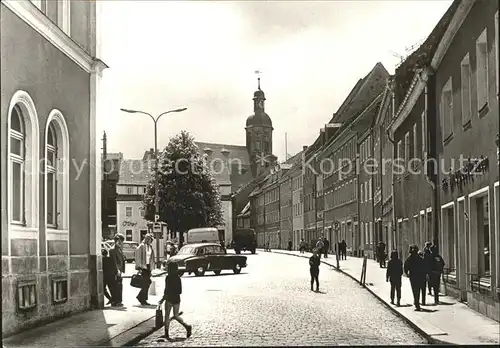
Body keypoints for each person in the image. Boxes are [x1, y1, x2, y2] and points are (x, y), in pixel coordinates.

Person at [159, 262, 192, 339]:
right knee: (176, 315)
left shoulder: (168, 278)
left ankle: (166, 333)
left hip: (169, 298)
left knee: (167, 316)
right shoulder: (178, 278)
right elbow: (180, 291)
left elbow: (166, 290)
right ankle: (187, 326)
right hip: (177, 298)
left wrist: (163, 298)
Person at [404, 245, 427, 311]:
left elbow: (405, 267)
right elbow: (424, 267)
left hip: (413, 276)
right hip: (419, 276)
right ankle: (417, 302)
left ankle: (416, 302)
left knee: (415, 290)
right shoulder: (420, 258)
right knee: (418, 289)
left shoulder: (409, 258)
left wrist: (407, 273)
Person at [135, 234, 155, 305]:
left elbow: (151, 257)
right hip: (143, 267)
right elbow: (138, 257)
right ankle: (142, 299)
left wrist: (152, 268)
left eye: (151, 240)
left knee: (147, 283)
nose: (150, 241)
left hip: (148, 266)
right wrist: (138, 267)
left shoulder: (150, 247)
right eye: (149, 239)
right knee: (146, 283)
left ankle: (141, 297)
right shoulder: (141, 246)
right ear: (146, 239)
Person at [109, 233, 126, 307]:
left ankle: (118, 301)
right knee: (115, 287)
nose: (121, 243)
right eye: (119, 242)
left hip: (119, 271)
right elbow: (114, 262)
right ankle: (116, 301)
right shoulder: (113, 250)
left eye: (121, 242)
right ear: (116, 241)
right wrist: (117, 271)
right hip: (115, 272)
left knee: (119, 286)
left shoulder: (119, 249)